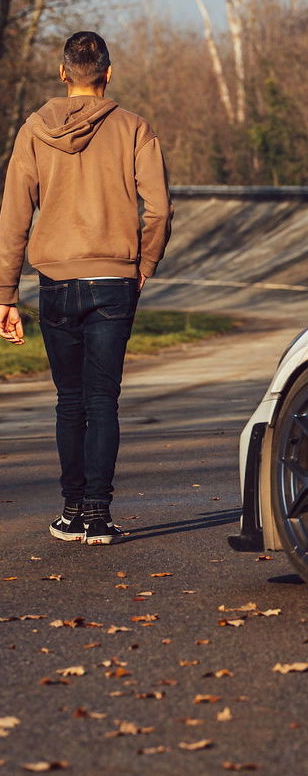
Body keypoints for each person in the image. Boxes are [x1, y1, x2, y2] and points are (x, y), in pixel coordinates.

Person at [0, 32, 172, 544]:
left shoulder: (34, 130)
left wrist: (5, 295)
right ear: (108, 73)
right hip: (113, 281)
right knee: (103, 401)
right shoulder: (134, 128)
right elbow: (159, 207)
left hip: (55, 281)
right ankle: (99, 515)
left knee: (69, 401)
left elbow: (14, 215)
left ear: (62, 73)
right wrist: (145, 261)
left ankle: (72, 511)